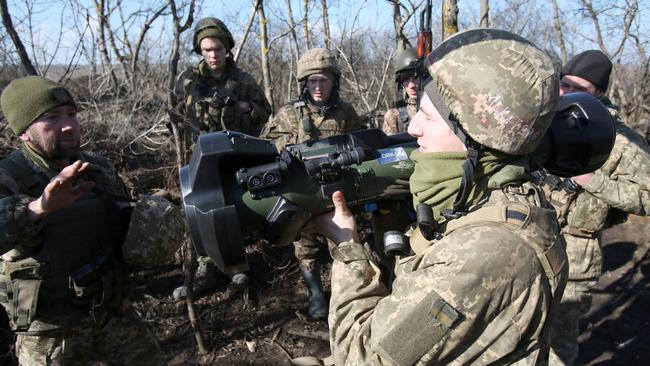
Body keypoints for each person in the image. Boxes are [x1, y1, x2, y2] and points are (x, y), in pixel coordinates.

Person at [311, 29, 568, 365]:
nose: (413, 127)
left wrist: (346, 247)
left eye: (429, 117)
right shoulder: (502, 193)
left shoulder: (478, 258)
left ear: (476, 138)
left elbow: (363, 358)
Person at [0, 76, 184, 365]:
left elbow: (122, 221)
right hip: (49, 332)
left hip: (111, 311)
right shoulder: (8, 177)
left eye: (71, 114)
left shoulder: (96, 167)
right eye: (51, 118)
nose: (68, 125)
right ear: (24, 132)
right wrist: (37, 209)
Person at [545, 50, 650, 366]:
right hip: (536, 237)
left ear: (600, 95)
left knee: (559, 340)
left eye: (580, 89)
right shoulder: (548, 121)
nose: (567, 94)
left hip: (577, 251)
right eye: (564, 84)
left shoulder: (618, 139)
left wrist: (594, 181)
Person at [174, 17, 272, 298]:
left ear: (226, 48)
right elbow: (178, 116)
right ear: (200, 51)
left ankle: (234, 263)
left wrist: (243, 107)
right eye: (206, 50)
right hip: (200, 158)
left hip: (233, 157)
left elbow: (265, 114)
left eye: (217, 49)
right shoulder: (189, 81)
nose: (213, 55)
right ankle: (206, 266)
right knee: (201, 208)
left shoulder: (242, 81)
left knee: (230, 208)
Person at [261, 48, 362, 319]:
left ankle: (347, 296)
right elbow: (266, 147)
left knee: (342, 242)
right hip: (301, 193)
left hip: (337, 192)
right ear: (304, 83)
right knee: (305, 247)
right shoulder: (287, 114)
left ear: (334, 82)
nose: (318, 87)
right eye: (313, 81)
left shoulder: (345, 113)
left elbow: (361, 145)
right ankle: (316, 294)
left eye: (323, 80)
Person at [382, 47, 418, 135]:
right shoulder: (394, 116)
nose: (411, 85)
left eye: (416, 78)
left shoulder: (441, 109)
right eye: (406, 79)